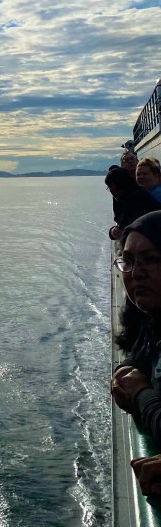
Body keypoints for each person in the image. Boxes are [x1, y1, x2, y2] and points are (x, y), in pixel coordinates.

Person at [111, 211, 161, 497]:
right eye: (127, 261)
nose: (136, 272)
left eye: (151, 259)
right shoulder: (154, 320)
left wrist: (141, 394)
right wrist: (123, 373)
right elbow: (137, 357)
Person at [105, 166, 161, 240]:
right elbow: (119, 223)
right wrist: (113, 231)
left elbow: (122, 225)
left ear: (117, 186)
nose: (110, 191)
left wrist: (114, 231)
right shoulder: (126, 198)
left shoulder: (137, 198)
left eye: (110, 187)